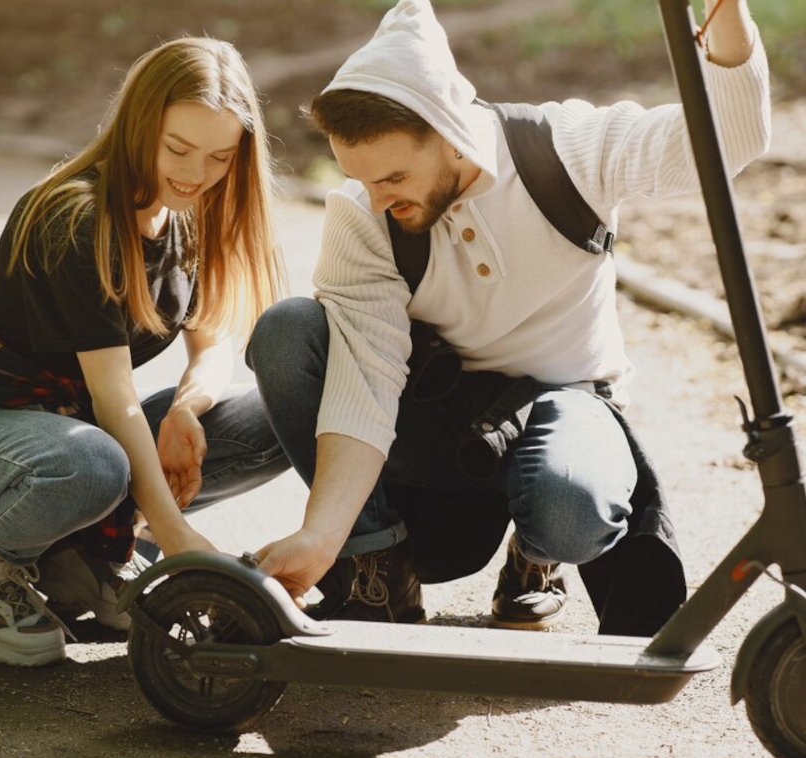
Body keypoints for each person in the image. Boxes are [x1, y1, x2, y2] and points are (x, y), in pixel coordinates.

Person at [245, 0, 771, 629]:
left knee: (572, 510)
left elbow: (728, 139)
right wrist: (326, 537)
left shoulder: (568, 151)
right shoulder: (363, 215)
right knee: (289, 331)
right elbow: (365, 380)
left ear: (449, 132)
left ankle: (536, 555)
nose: (378, 200)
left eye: (393, 177)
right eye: (363, 179)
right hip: (440, 414)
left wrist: (725, 9)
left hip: (566, 401)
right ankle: (378, 567)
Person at [0, 36, 289, 666]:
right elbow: (113, 398)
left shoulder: (186, 208)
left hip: (79, 431)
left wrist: (190, 405)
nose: (196, 174)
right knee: (96, 463)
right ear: (139, 128)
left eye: (219, 157)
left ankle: (83, 557)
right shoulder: (74, 214)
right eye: (178, 150)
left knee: (273, 419)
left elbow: (212, 339)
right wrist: (174, 532)